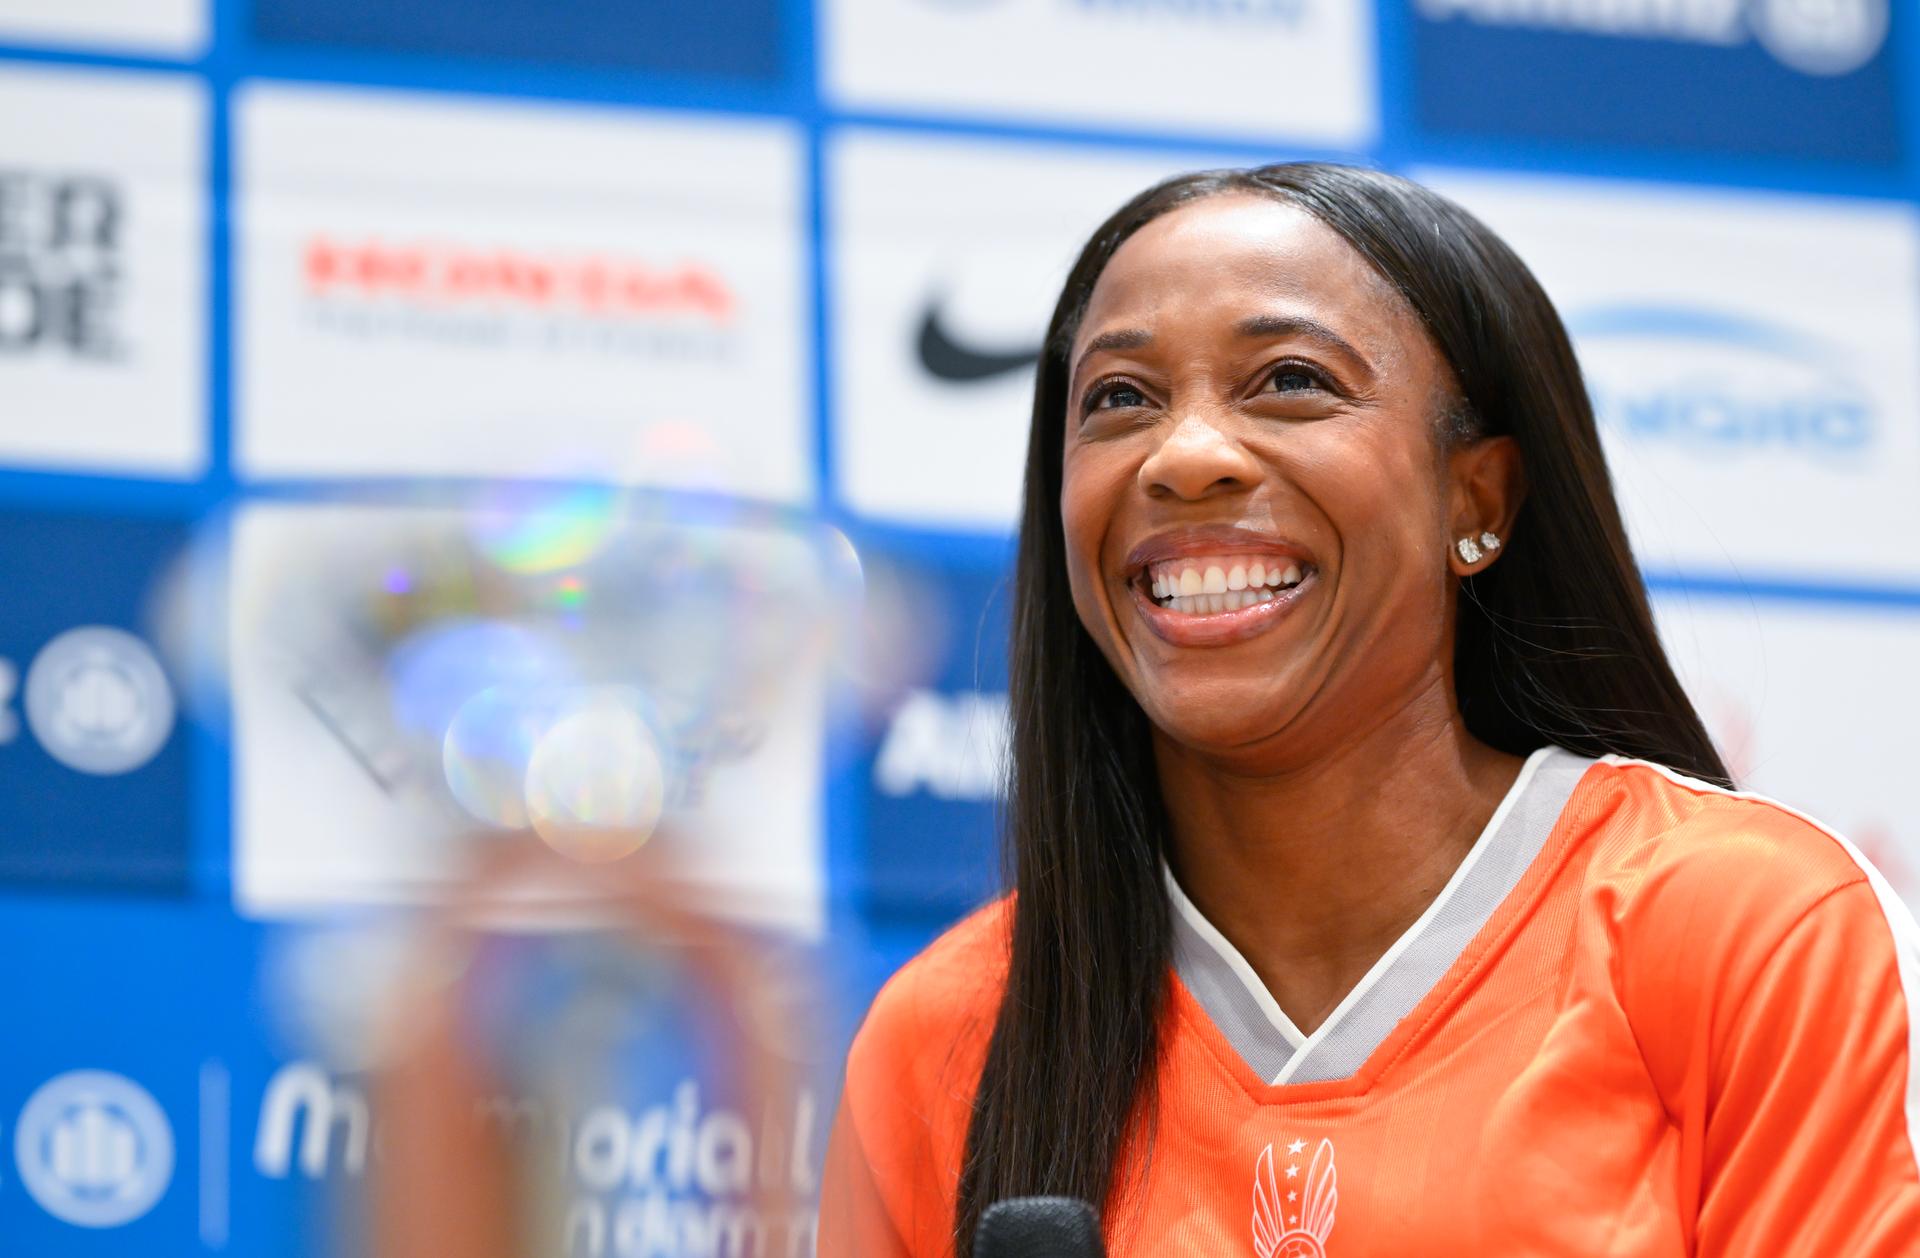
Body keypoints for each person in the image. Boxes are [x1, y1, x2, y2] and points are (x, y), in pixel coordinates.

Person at [818, 163, 1920, 1256]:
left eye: (1289, 380)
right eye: (1119, 399)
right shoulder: (948, 1034)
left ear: (1478, 499)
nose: (1185, 454)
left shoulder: (1758, 927)